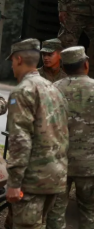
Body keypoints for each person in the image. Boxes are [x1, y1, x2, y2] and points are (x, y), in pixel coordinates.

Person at [5, 38, 69, 229]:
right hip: (55, 176)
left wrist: (14, 182)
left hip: (33, 180)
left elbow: (20, 139)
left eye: (11, 62)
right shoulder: (54, 89)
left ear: (17, 60)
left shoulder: (23, 91)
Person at [53, 46, 94, 229]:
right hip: (90, 165)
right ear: (86, 64)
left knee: (55, 212)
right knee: (89, 210)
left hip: (58, 163)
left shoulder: (53, 89)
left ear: (63, 67)